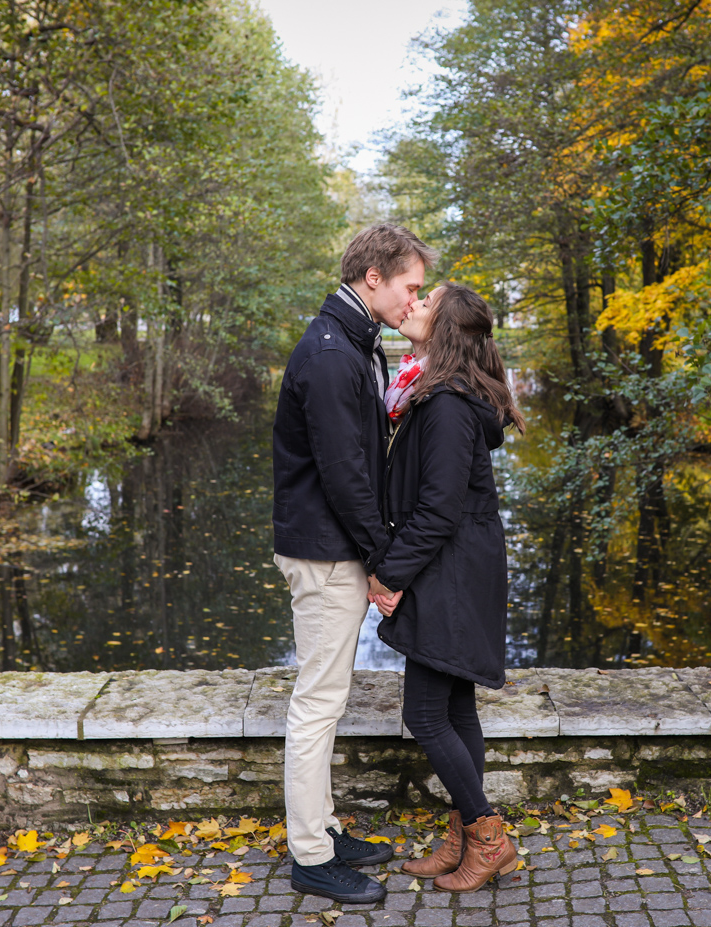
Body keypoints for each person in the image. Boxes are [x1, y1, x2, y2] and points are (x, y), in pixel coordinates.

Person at [271, 224, 437, 905]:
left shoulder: (352, 341)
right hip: (324, 551)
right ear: (375, 276)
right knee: (317, 703)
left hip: (333, 544)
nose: (414, 299)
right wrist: (383, 562)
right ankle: (311, 856)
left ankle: (325, 829)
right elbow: (345, 476)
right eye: (411, 286)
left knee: (328, 698)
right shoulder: (332, 353)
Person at [368, 282, 526, 893]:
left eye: (425, 303)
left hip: (451, 571)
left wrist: (390, 576)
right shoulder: (435, 393)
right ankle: (463, 838)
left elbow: (438, 509)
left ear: (445, 330)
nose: (412, 305)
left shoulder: (446, 404)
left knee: (425, 713)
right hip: (456, 566)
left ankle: (489, 839)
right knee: (456, 709)